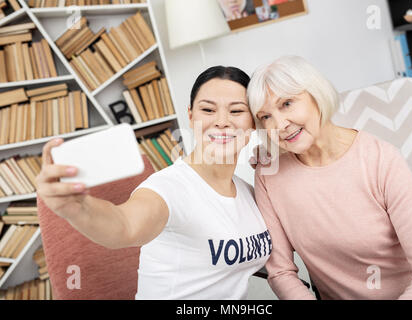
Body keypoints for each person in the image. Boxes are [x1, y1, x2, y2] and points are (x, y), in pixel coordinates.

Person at [36, 66, 271, 300]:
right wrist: (79, 208)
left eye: (237, 111)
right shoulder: (169, 188)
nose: (222, 121)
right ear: (190, 116)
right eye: (208, 109)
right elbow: (125, 225)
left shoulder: (248, 192)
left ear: (253, 122)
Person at [247, 55, 412, 300]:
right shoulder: (269, 174)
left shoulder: (380, 159)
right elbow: (281, 273)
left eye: (287, 104)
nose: (279, 124)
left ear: (316, 95)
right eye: (265, 117)